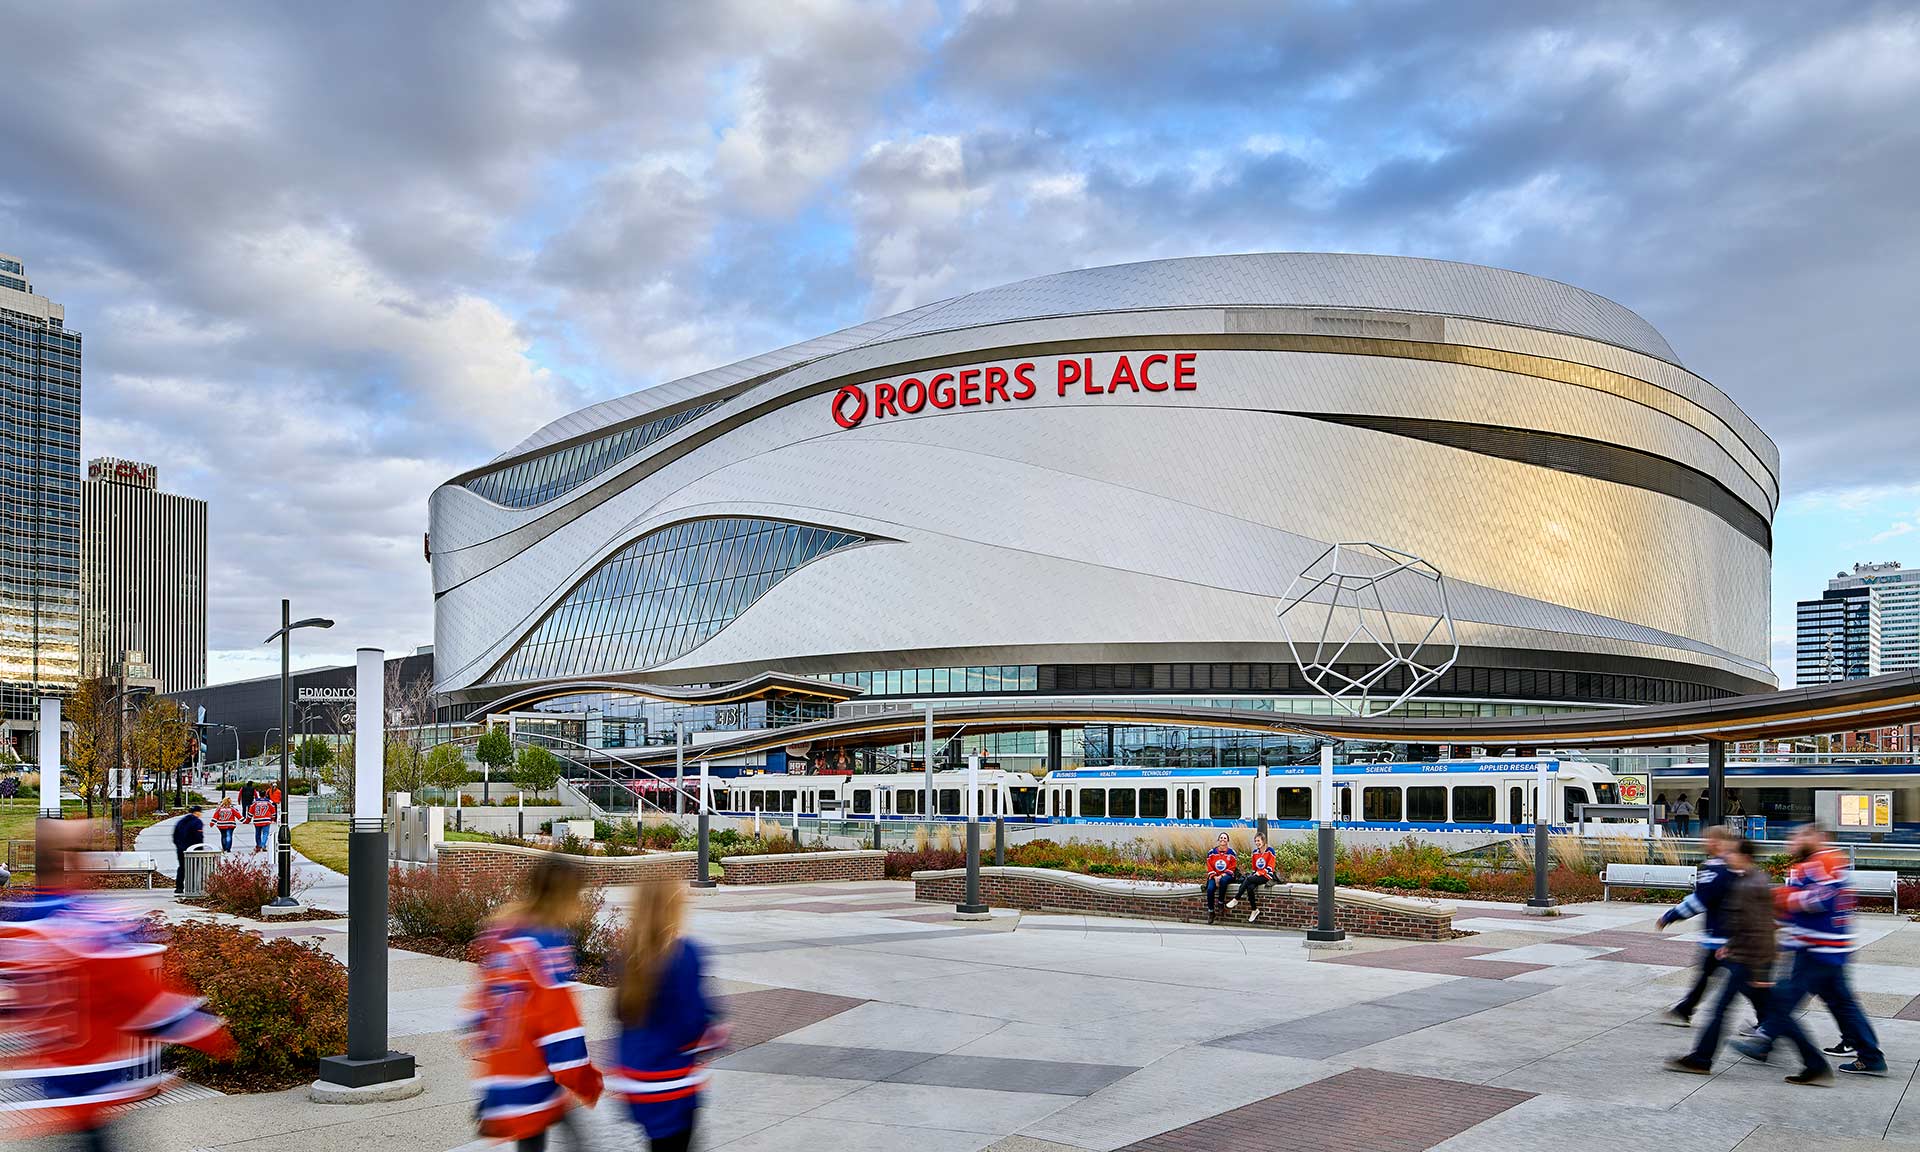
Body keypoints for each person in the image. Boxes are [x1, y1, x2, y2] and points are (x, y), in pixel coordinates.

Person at [0, 819, 234, 1149]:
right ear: (74, 864)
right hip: (92, 1076)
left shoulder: (24, 927)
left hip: (53, 1077)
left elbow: (14, 1001)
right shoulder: (87, 929)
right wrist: (210, 1035)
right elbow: (144, 1001)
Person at [466, 854, 603, 1150]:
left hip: (505, 1065)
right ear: (565, 897)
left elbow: (480, 1009)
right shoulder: (548, 946)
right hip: (533, 1071)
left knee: (540, 1138)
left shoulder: (505, 935)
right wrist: (585, 1080)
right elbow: (559, 1024)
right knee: (549, 1139)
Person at [1734, 823, 1887, 1080]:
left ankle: (1764, 1040)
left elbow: (1819, 900)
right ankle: (1870, 1055)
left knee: (1785, 998)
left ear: (1817, 837)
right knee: (1842, 1003)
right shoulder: (1820, 863)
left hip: (1817, 947)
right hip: (1825, 946)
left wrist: (1784, 899)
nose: (1791, 842)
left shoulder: (1822, 862)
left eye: (1798, 837)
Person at [609, 881, 726, 1152]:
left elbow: (621, 1016)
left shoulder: (630, 956)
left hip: (637, 1080)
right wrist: (715, 1034)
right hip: (673, 1084)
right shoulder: (684, 954)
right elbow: (692, 1023)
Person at [1665, 835, 1774, 1073]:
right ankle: (1768, 1035)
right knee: (1741, 1003)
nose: (1728, 857)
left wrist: (1757, 964)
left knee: (1727, 1004)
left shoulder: (1748, 882)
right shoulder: (1747, 879)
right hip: (1737, 951)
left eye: (1732, 853)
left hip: (1745, 955)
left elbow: (1761, 926)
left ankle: (1703, 1056)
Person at [1657, 826, 1765, 1028]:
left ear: (1715, 842)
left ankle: (1768, 1021)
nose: (1703, 842)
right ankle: (1685, 1009)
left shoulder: (1717, 869)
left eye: (1707, 839)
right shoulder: (1731, 865)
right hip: (1726, 936)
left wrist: (1670, 916)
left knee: (1740, 981)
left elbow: (1700, 901)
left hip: (1724, 937)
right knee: (1713, 975)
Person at [1229, 834, 1279, 922]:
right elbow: (1254, 868)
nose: (1257, 843)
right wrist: (1255, 873)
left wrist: (1260, 873)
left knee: (1248, 879)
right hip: (1257, 875)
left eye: (1258, 841)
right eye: (1255, 841)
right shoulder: (1255, 852)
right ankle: (1254, 910)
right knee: (1250, 887)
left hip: (1266, 876)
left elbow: (1271, 867)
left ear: (1263, 841)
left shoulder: (1270, 851)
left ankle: (1236, 898)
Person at [1203, 832, 1238, 925]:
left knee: (1223, 881)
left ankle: (1220, 902)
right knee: (1210, 889)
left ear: (1228, 841)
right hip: (1214, 876)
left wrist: (1221, 876)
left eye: (1225, 838)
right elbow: (1209, 866)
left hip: (1226, 876)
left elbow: (1232, 867)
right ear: (1218, 840)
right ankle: (1211, 912)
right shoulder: (1211, 852)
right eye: (1221, 838)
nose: (1223, 839)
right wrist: (1215, 877)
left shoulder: (1231, 853)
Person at [170, 805, 205, 894]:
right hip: (194, 849)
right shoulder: (197, 822)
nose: (201, 814)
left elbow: (175, 835)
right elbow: (199, 836)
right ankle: (192, 887)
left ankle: (179, 887)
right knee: (194, 868)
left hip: (181, 849)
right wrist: (200, 848)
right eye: (200, 812)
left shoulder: (181, 821)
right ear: (197, 812)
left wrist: (179, 845)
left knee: (182, 867)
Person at [247, 790, 277, 854]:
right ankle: (263, 844)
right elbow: (273, 810)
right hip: (266, 819)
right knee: (265, 833)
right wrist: (273, 818)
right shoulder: (268, 802)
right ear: (265, 794)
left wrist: (248, 819)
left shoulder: (255, 802)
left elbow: (250, 811)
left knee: (257, 833)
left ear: (259, 794)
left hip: (257, 820)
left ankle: (259, 845)